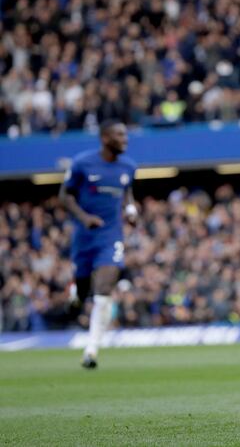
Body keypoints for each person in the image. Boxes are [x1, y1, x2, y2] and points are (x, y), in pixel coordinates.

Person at [59, 119, 137, 368]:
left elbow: (126, 191)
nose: (125, 139)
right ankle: (76, 297)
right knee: (84, 288)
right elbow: (65, 195)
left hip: (110, 236)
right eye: (120, 135)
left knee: (104, 288)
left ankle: (91, 350)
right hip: (84, 237)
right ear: (105, 138)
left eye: (125, 135)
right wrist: (84, 217)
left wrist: (131, 209)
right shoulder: (83, 163)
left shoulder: (129, 167)